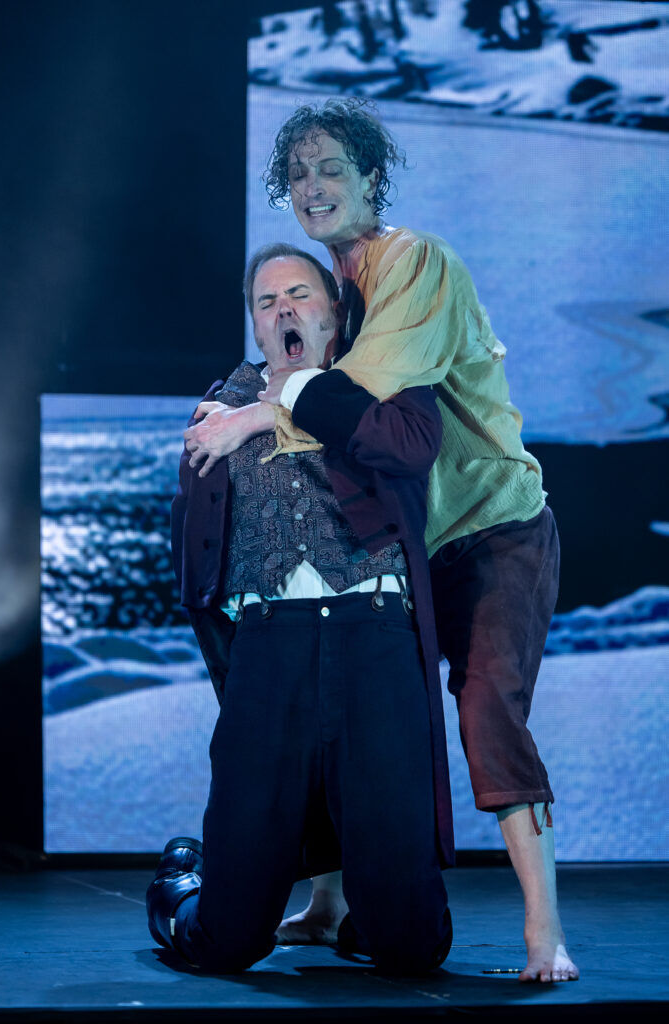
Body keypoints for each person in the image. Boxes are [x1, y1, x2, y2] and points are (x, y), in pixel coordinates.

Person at [184, 99, 579, 983]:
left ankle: (543, 929)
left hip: (489, 524)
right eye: (297, 174)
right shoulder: (340, 286)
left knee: (485, 710)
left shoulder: (412, 262)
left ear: (371, 177)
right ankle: (329, 903)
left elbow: (367, 403)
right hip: (415, 537)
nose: (313, 186)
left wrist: (255, 412)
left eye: (331, 168)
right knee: (343, 714)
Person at [146, 244, 453, 974]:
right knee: (225, 942)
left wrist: (269, 414)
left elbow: (405, 450)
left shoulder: (380, 384)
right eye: (267, 301)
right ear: (256, 325)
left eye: (299, 294)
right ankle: (183, 885)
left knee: (411, 947)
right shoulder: (219, 403)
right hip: (269, 644)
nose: (283, 309)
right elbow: (195, 533)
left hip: (372, 633)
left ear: (335, 312)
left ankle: (359, 912)